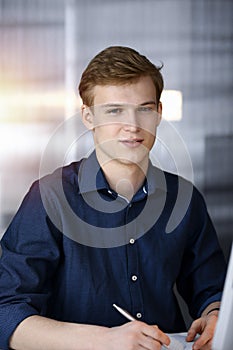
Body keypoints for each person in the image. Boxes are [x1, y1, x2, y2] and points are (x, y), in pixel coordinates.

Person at [0, 46, 226, 350]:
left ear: (159, 113)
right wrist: (106, 340)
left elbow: (213, 290)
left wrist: (216, 315)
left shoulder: (184, 199)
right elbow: (6, 313)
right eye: (114, 111)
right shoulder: (49, 197)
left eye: (144, 108)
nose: (132, 126)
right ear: (88, 117)